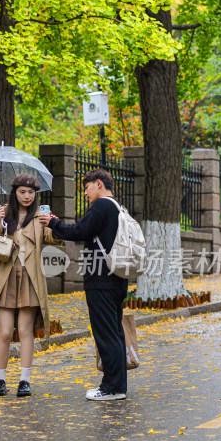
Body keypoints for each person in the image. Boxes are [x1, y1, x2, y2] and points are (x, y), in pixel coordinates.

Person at [43, 168, 129, 401]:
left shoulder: (102, 206)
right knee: (115, 333)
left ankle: (111, 388)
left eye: (87, 188)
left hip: (101, 279)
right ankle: (116, 386)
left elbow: (80, 231)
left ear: (98, 184)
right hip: (116, 279)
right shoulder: (117, 207)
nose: (86, 194)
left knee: (106, 335)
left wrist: (53, 223)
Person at [0, 174, 62, 398]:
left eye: (31, 192)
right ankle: (0, 380)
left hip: (30, 278)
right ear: (15, 193)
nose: (27, 196)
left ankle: (24, 381)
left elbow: (53, 238)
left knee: (25, 331)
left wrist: (54, 225)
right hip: (6, 278)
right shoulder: (4, 214)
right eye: (22, 192)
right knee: (4, 332)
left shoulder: (40, 216)